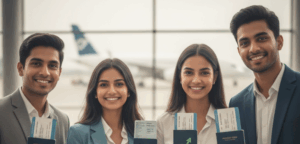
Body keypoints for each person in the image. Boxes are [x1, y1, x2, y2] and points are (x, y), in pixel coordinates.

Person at [229, 5, 300, 144]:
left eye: (261, 39)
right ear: (239, 51)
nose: (253, 48)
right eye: (245, 43)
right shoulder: (236, 104)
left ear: (279, 42)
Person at [0, 33, 69, 144]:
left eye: (52, 66)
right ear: (20, 68)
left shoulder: (62, 120)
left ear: (59, 72)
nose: (45, 73)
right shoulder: (2, 112)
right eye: (36, 63)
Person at [157, 44, 227, 144]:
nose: (196, 80)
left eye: (204, 73)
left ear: (214, 77)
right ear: (180, 77)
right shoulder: (163, 123)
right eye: (189, 73)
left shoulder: (229, 121)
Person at [67, 58, 143, 144]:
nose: (112, 91)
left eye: (119, 84)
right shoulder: (78, 134)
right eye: (104, 85)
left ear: (128, 91)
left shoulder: (143, 134)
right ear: (95, 92)